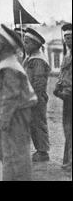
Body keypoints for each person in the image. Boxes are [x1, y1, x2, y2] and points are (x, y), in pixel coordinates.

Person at [0, 24, 37, 181]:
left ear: (4, 45)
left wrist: (2, 120)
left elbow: (10, 98)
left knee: (15, 154)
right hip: (10, 113)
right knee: (2, 151)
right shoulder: (7, 63)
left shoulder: (10, 66)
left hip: (15, 115)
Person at [23, 28, 51, 162]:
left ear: (35, 44)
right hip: (30, 97)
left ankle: (43, 151)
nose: (24, 45)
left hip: (36, 97)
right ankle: (40, 149)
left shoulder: (38, 60)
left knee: (38, 123)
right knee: (33, 124)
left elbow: (38, 83)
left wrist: (31, 96)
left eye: (27, 42)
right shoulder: (30, 59)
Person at [54, 23, 72, 172]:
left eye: (71, 37)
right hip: (67, 97)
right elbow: (63, 75)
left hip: (70, 96)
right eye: (66, 37)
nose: (68, 40)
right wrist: (58, 85)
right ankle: (68, 161)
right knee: (67, 130)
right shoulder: (67, 55)